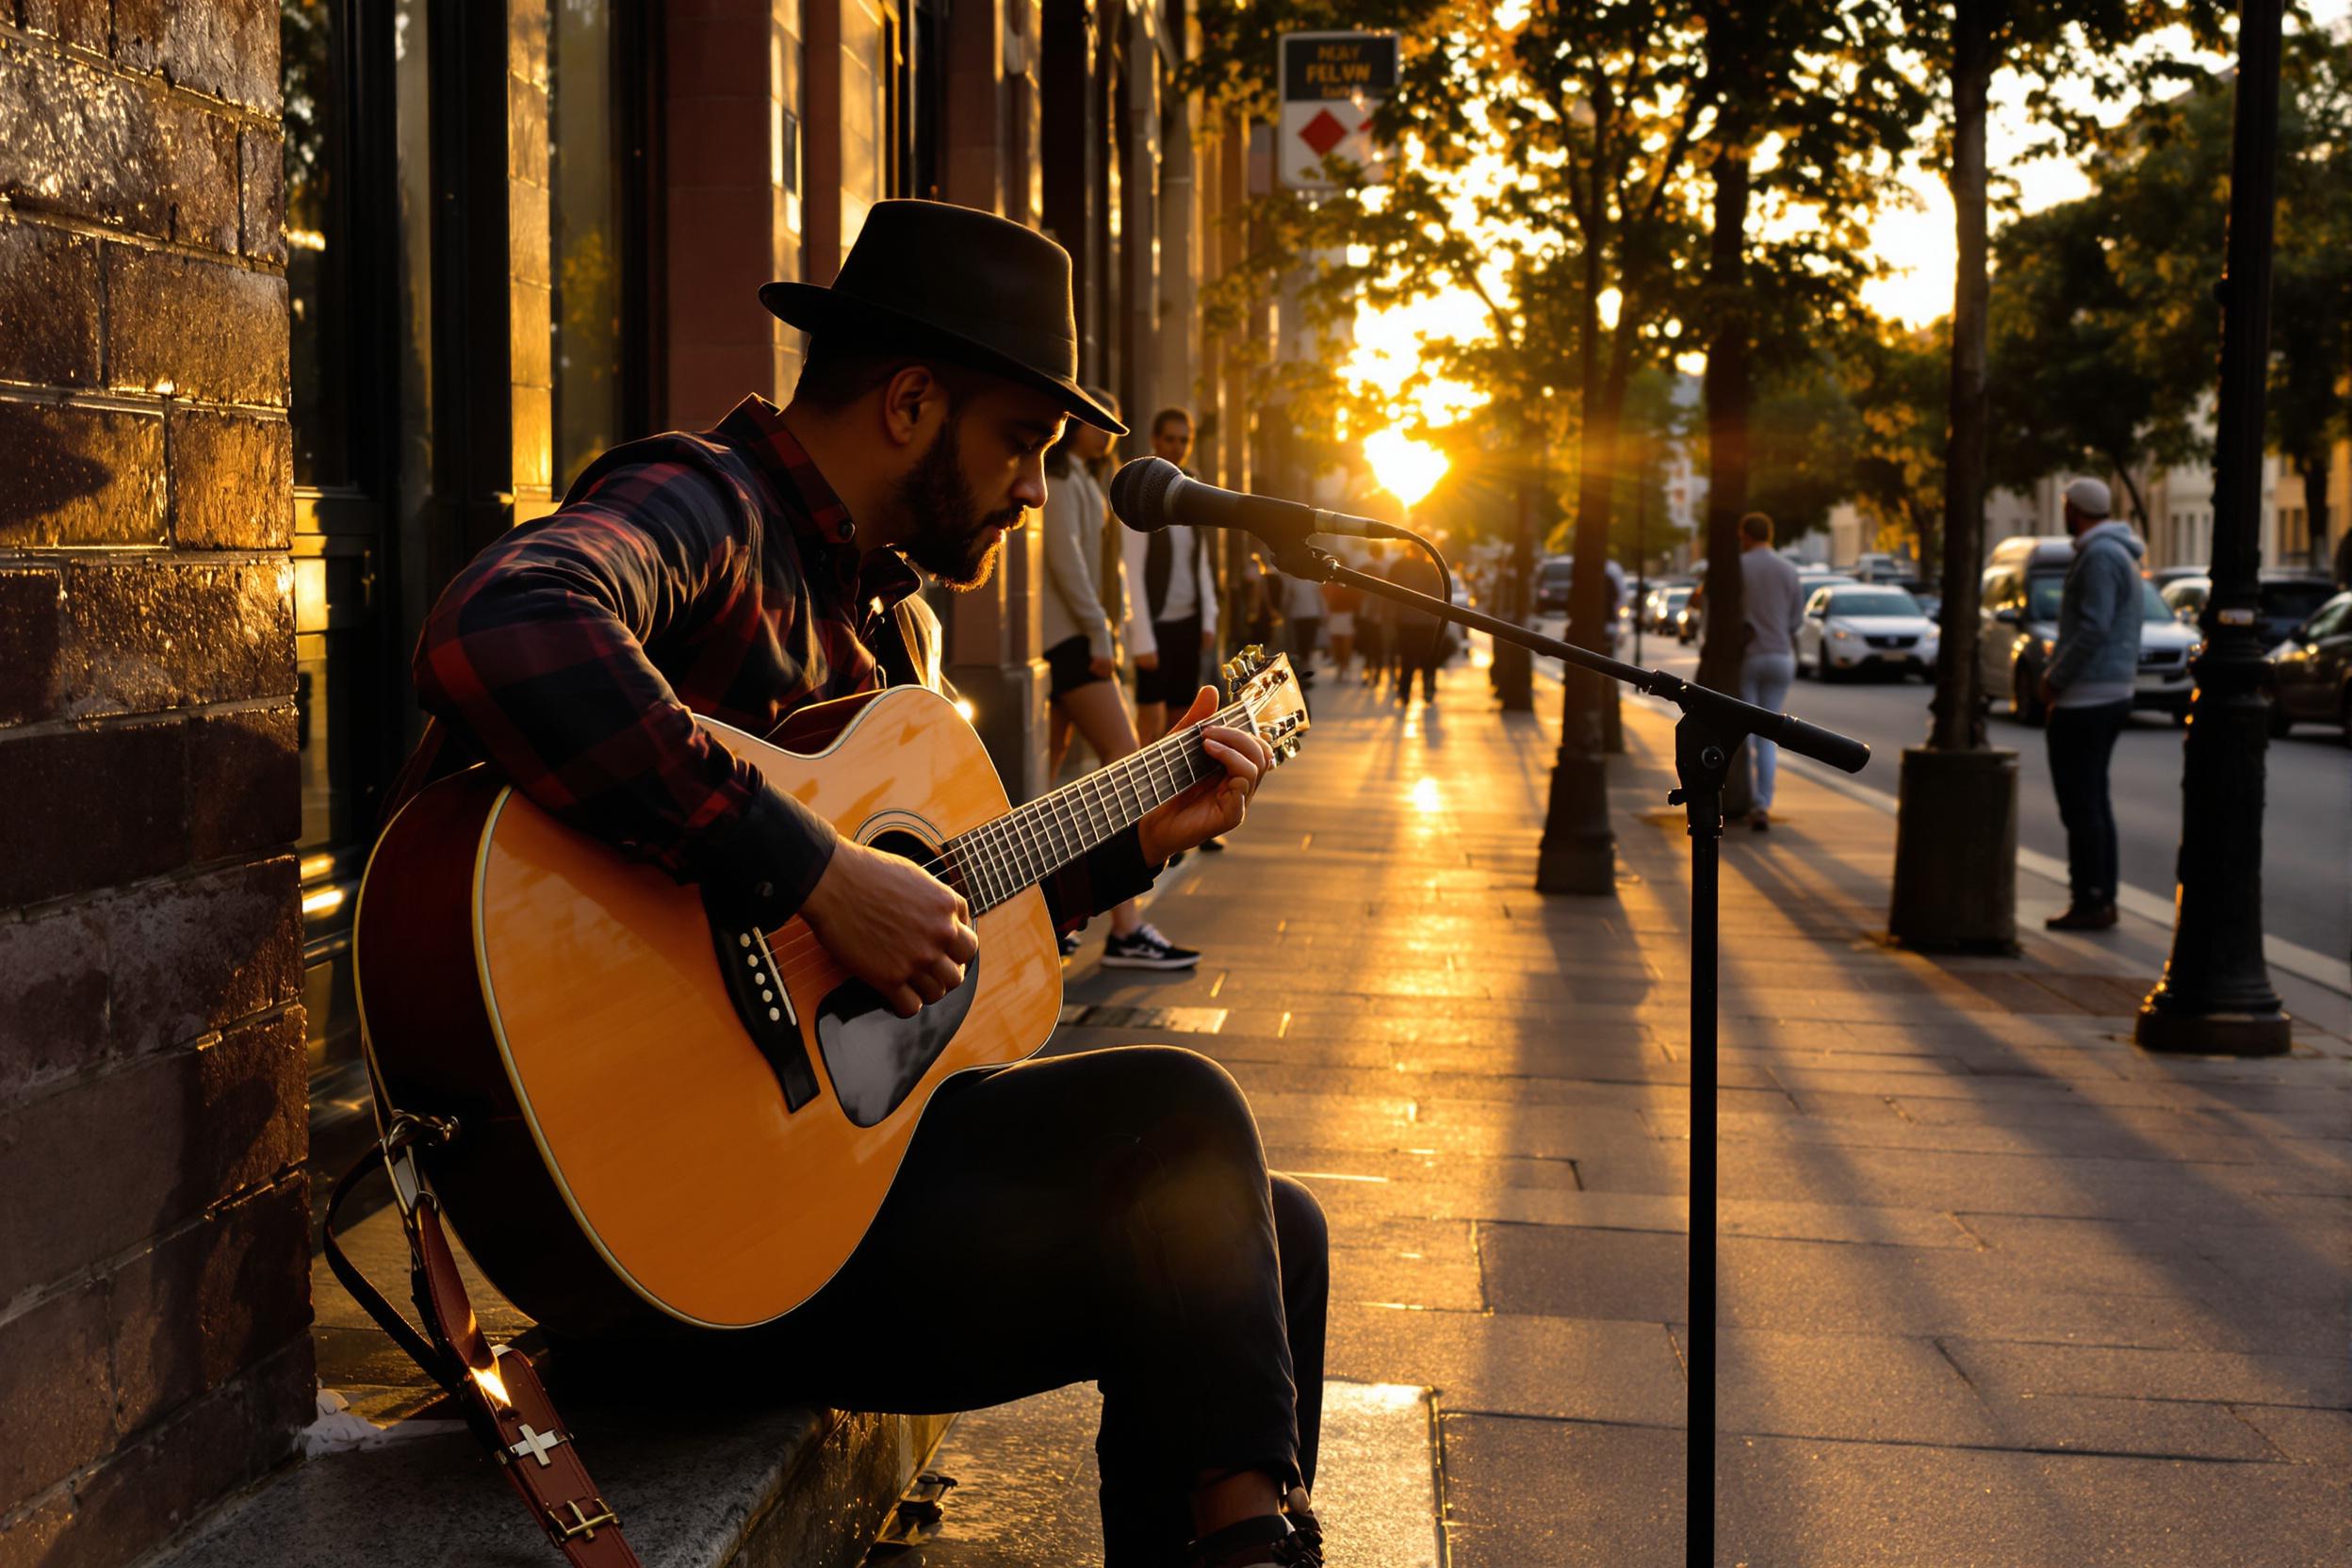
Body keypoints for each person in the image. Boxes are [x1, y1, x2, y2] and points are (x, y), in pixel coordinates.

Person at [393, 201, 1325, 1568]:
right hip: (664, 1237)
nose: (1030, 490)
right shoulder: (706, 509)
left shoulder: (886, 622)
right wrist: (812, 868)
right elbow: (502, 626)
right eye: (1023, 443)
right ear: (907, 401)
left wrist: (1136, 841)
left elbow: (930, 941)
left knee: (1269, 1233)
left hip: (807, 1209)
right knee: (1179, 1113)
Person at [1039, 387, 1203, 970]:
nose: (1109, 433)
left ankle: (1044, 915)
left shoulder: (1083, 479)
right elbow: (1068, 564)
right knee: (1125, 762)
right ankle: (1126, 928)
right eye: (1096, 422)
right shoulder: (1059, 482)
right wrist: (1099, 633)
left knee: (1049, 776)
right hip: (1071, 644)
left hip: (1075, 641)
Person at [2038, 477, 2144, 931]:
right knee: (2093, 800)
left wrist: (2055, 678)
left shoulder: (2099, 556)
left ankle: (2091, 899)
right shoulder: (2116, 552)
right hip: (2110, 690)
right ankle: (2101, 896)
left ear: (2074, 509)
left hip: (2088, 694)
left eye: (2065, 505)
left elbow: (2093, 626)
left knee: (2080, 802)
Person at [1124, 408, 1221, 743]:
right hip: (1155, 624)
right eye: (1170, 439)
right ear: (1155, 440)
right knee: (1150, 719)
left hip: (1188, 622)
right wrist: (1142, 639)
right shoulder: (1140, 493)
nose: (1177, 446)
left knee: (1183, 717)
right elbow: (1132, 570)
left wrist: (1208, 617)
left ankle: (1173, 794)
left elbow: (1202, 562)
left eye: (1184, 440)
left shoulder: (1191, 489)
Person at [1736, 514, 1804, 830]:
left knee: (1745, 730)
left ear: (1745, 535)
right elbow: (1795, 620)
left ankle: (1744, 797)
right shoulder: (1788, 569)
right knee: (1768, 734)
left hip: (1749, 655)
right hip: (1781, 656)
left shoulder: (1739, 566)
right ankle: (1762, 802)